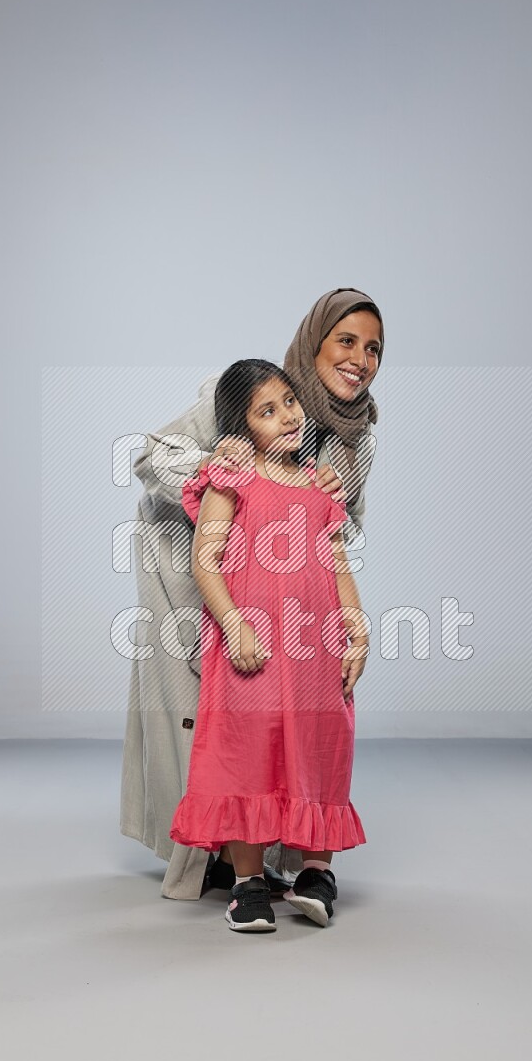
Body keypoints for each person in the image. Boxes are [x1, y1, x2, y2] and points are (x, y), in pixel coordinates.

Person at [120, 287, 384, 899]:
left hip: (288, 590)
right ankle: (213, 860)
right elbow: (151, 458)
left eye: (373, 348)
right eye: (345, 341)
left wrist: (320, 496)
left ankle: (288, 860)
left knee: (286, 722)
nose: (360, 359)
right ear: (313, 343)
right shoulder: (246, 388)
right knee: (209, 721)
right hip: (192, 564)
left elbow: (340, 529)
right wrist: (225, 466)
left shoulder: (356, 438)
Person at [170, 359, 370, 931]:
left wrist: (357, 629)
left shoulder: (319, 486)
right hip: (251, 645)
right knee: (246, 752)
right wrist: (234, 623)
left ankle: (317, 874)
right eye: (267, 410)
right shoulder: (231, 479)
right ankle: (248, 882)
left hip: (316, 648)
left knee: (319, 746)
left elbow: (337, 562)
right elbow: (205, 560)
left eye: (289, 401)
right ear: (242, 427)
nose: (287, 416)